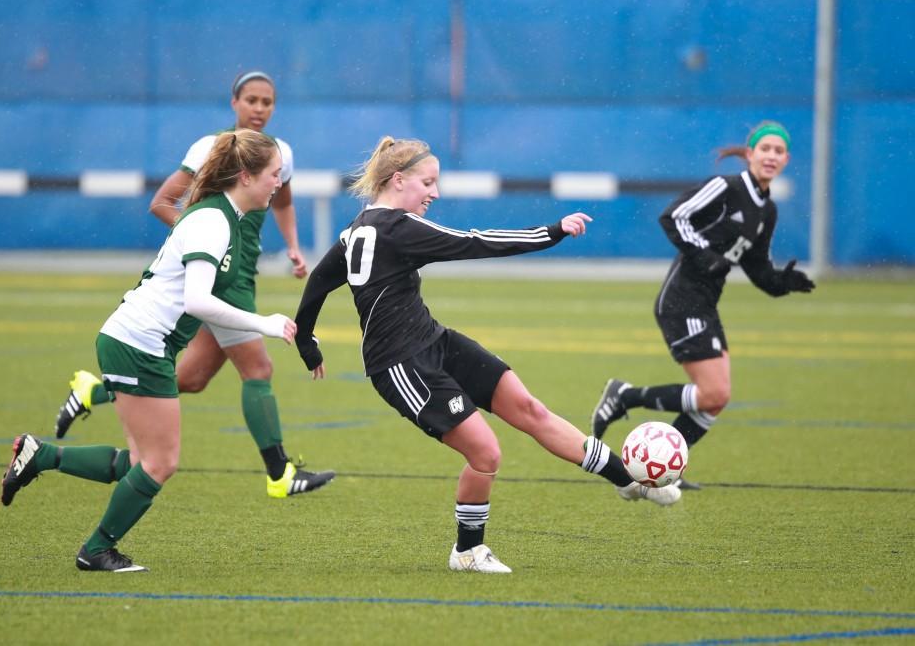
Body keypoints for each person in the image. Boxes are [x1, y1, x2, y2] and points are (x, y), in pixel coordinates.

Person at [293, 136, 681, 575]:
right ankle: (467, 552)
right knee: (486, 454)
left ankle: (628, 480)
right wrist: (550, 232)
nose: (434, 193)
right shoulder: (399, 229)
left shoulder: (358, 227)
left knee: (529, 408)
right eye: (428, 182)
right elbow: (475, 241)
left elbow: (320, 279)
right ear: (398, 180)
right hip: (401, 366)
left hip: (434, 341)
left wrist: (306, 337)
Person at [1, 130, 298, 572]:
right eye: (274, 174)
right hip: (139, 343)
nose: (279, 184)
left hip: (135, 341)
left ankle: (41, 455)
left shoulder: (223, 218)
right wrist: (264, 324)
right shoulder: (214, 221)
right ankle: (96, 550)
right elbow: (197, 301)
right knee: (160, 462)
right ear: (246, 176)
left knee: (139, 462)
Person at [54, 70, 334, 498]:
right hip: (222, 281)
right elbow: (162, 201)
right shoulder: (209, 148)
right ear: (234, 102)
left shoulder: (280, 154)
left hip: (240, 277)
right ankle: (279, 473)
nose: (259, 108)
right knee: (258, 368)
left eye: (267, 102)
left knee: (193, 377)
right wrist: (203, 241)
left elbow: (284, 202)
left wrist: (295, 247)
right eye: (251, 100)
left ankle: (95, 390)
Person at [590, 121, 815, 490]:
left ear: (787, 159)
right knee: (714, 393)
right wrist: (705, 255)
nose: (771, 156)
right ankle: (624, 395)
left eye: (779, 151)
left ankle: (665, 477)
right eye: (765, 149)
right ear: (750, 153)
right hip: (681, 300)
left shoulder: (766, 210)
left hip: (706, 303)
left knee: (715, 399)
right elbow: (673, 216)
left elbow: (756, 266)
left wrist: (780, 283)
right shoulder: (726, 188)